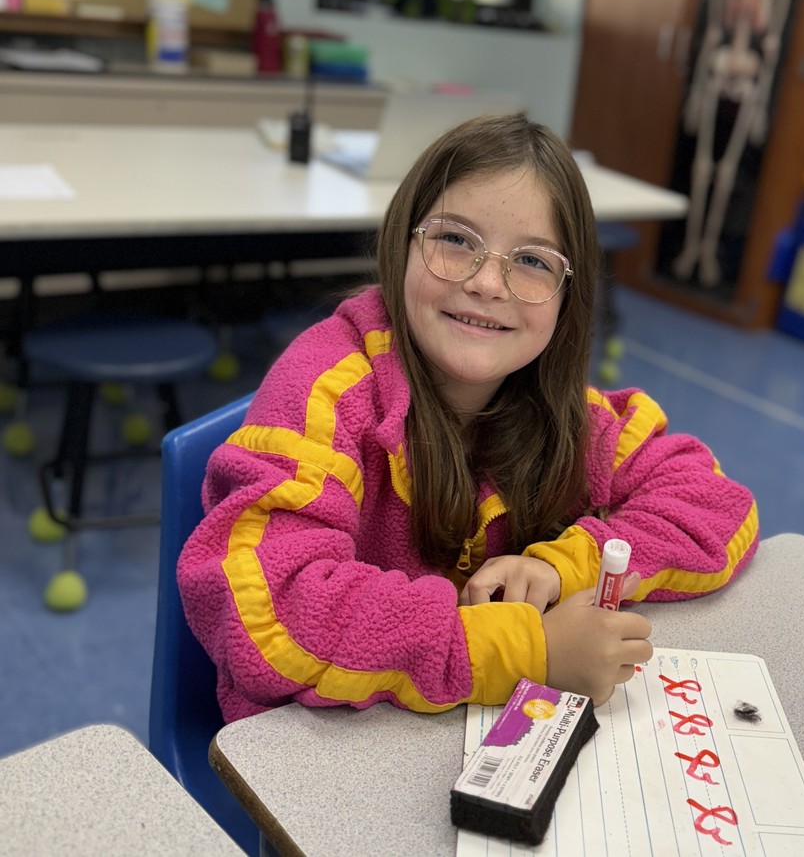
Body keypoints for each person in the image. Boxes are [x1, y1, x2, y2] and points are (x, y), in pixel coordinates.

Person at [178, 113, 759, 724]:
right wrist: (524, 650)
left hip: (462, 731)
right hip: (327, 744)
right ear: (403, 240)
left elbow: (717, 504)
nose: (486, 283)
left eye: (533, 261)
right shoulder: (326, 388)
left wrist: (563, 565)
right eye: (455, 240)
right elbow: (266, 611)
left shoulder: (566, 411)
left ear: (568, 298)